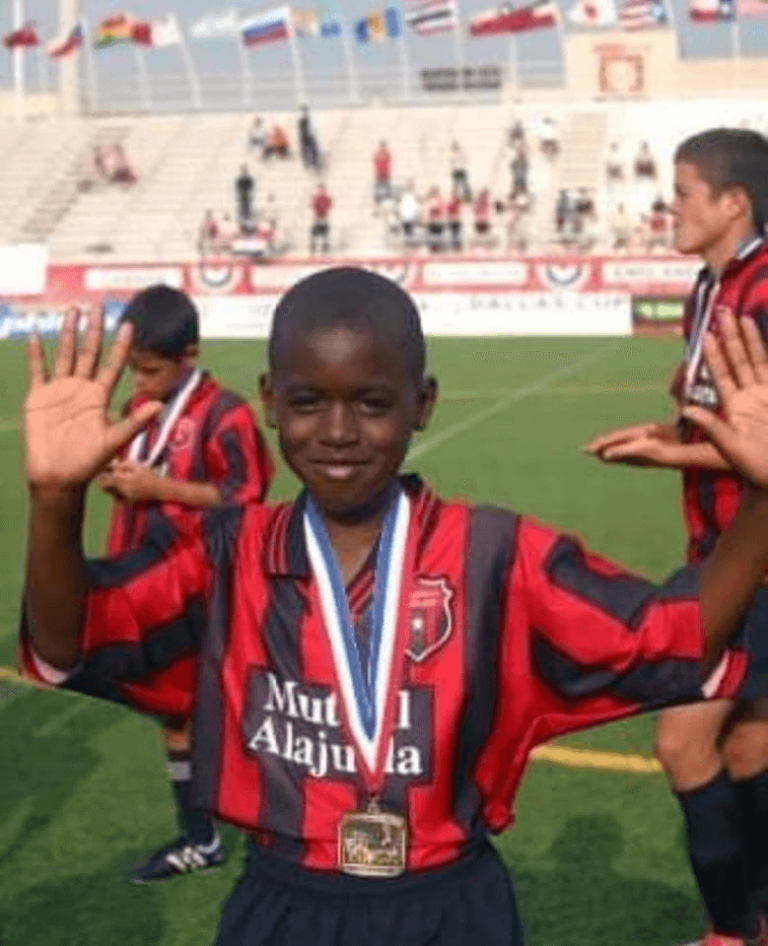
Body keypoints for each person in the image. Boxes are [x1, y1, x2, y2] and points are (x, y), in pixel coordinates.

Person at [18, 265, 768, 946]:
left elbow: (674, 639)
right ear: (272, 402)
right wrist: (55, 504)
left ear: (424, 403)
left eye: (373, 403)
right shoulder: (225, 555)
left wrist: (764, 499)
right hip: (281, 902)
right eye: (309, 402)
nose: (339, 432)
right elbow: (68, 642)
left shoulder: (497, 557)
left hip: (452, 904)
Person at [584, 128, 768, 946]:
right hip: (721, 550)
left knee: (681, 737)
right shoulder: (707, 288)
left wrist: (674, 449)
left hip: (757, 560)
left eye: (684, 190)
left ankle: (730, 929)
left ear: (735, 203)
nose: (672, 205)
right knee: (747, 745)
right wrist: (667, 439)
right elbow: (720, 422)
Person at [94, 286, 274, 882]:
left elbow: (245, 498)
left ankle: (269, 827)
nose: (138, 383)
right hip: (151, 591)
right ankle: (203, 839)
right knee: (178, 716)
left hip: (208, 592)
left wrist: (159, 490)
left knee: (234, 714)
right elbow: (131, 477)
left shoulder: (227, 415)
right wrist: (110, 475)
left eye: (149, 370)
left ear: (188, 354)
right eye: (133, 370)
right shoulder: (136, 410)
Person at [310, 182, 332, 254]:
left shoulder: (325, 197)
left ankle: (324, 246)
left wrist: (326, 214)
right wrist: (316, 215)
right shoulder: (317, 197)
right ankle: (314, 245)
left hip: (323, 216)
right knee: (315, 232)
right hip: (318, 216)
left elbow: (329, 205)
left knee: (324, 232)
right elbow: (314, 206)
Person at [298, 106, 320, 171]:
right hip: (305, 136)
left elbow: (305, 129)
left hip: (304, 136)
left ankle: (311, 163)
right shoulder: (304, 119)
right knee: (310, 148)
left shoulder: (304, 119)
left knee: (307, 150)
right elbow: (306, 129)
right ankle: (312, 163)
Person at [235, 164, 255, 232]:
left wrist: (247, 191)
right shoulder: (240, 179)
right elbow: (238, 186)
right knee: (242, 207)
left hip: (247, 195)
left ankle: (248, 219)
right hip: (242, 195)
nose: (244, 171)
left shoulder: (249, 179)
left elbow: (251, 186)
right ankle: (242, 220)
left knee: (248, 207)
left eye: (245, 170)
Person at [373, 140, 393, 205]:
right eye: (382, 146)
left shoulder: (387, 154)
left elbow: (389, 162)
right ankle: (378, 199)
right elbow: (375, 163)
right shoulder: (378, 154)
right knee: (379, 186)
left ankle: (388, 197)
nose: (383, 148)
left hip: (385, 173)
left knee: (386, 186)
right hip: (379, 174)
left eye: (383, 146)